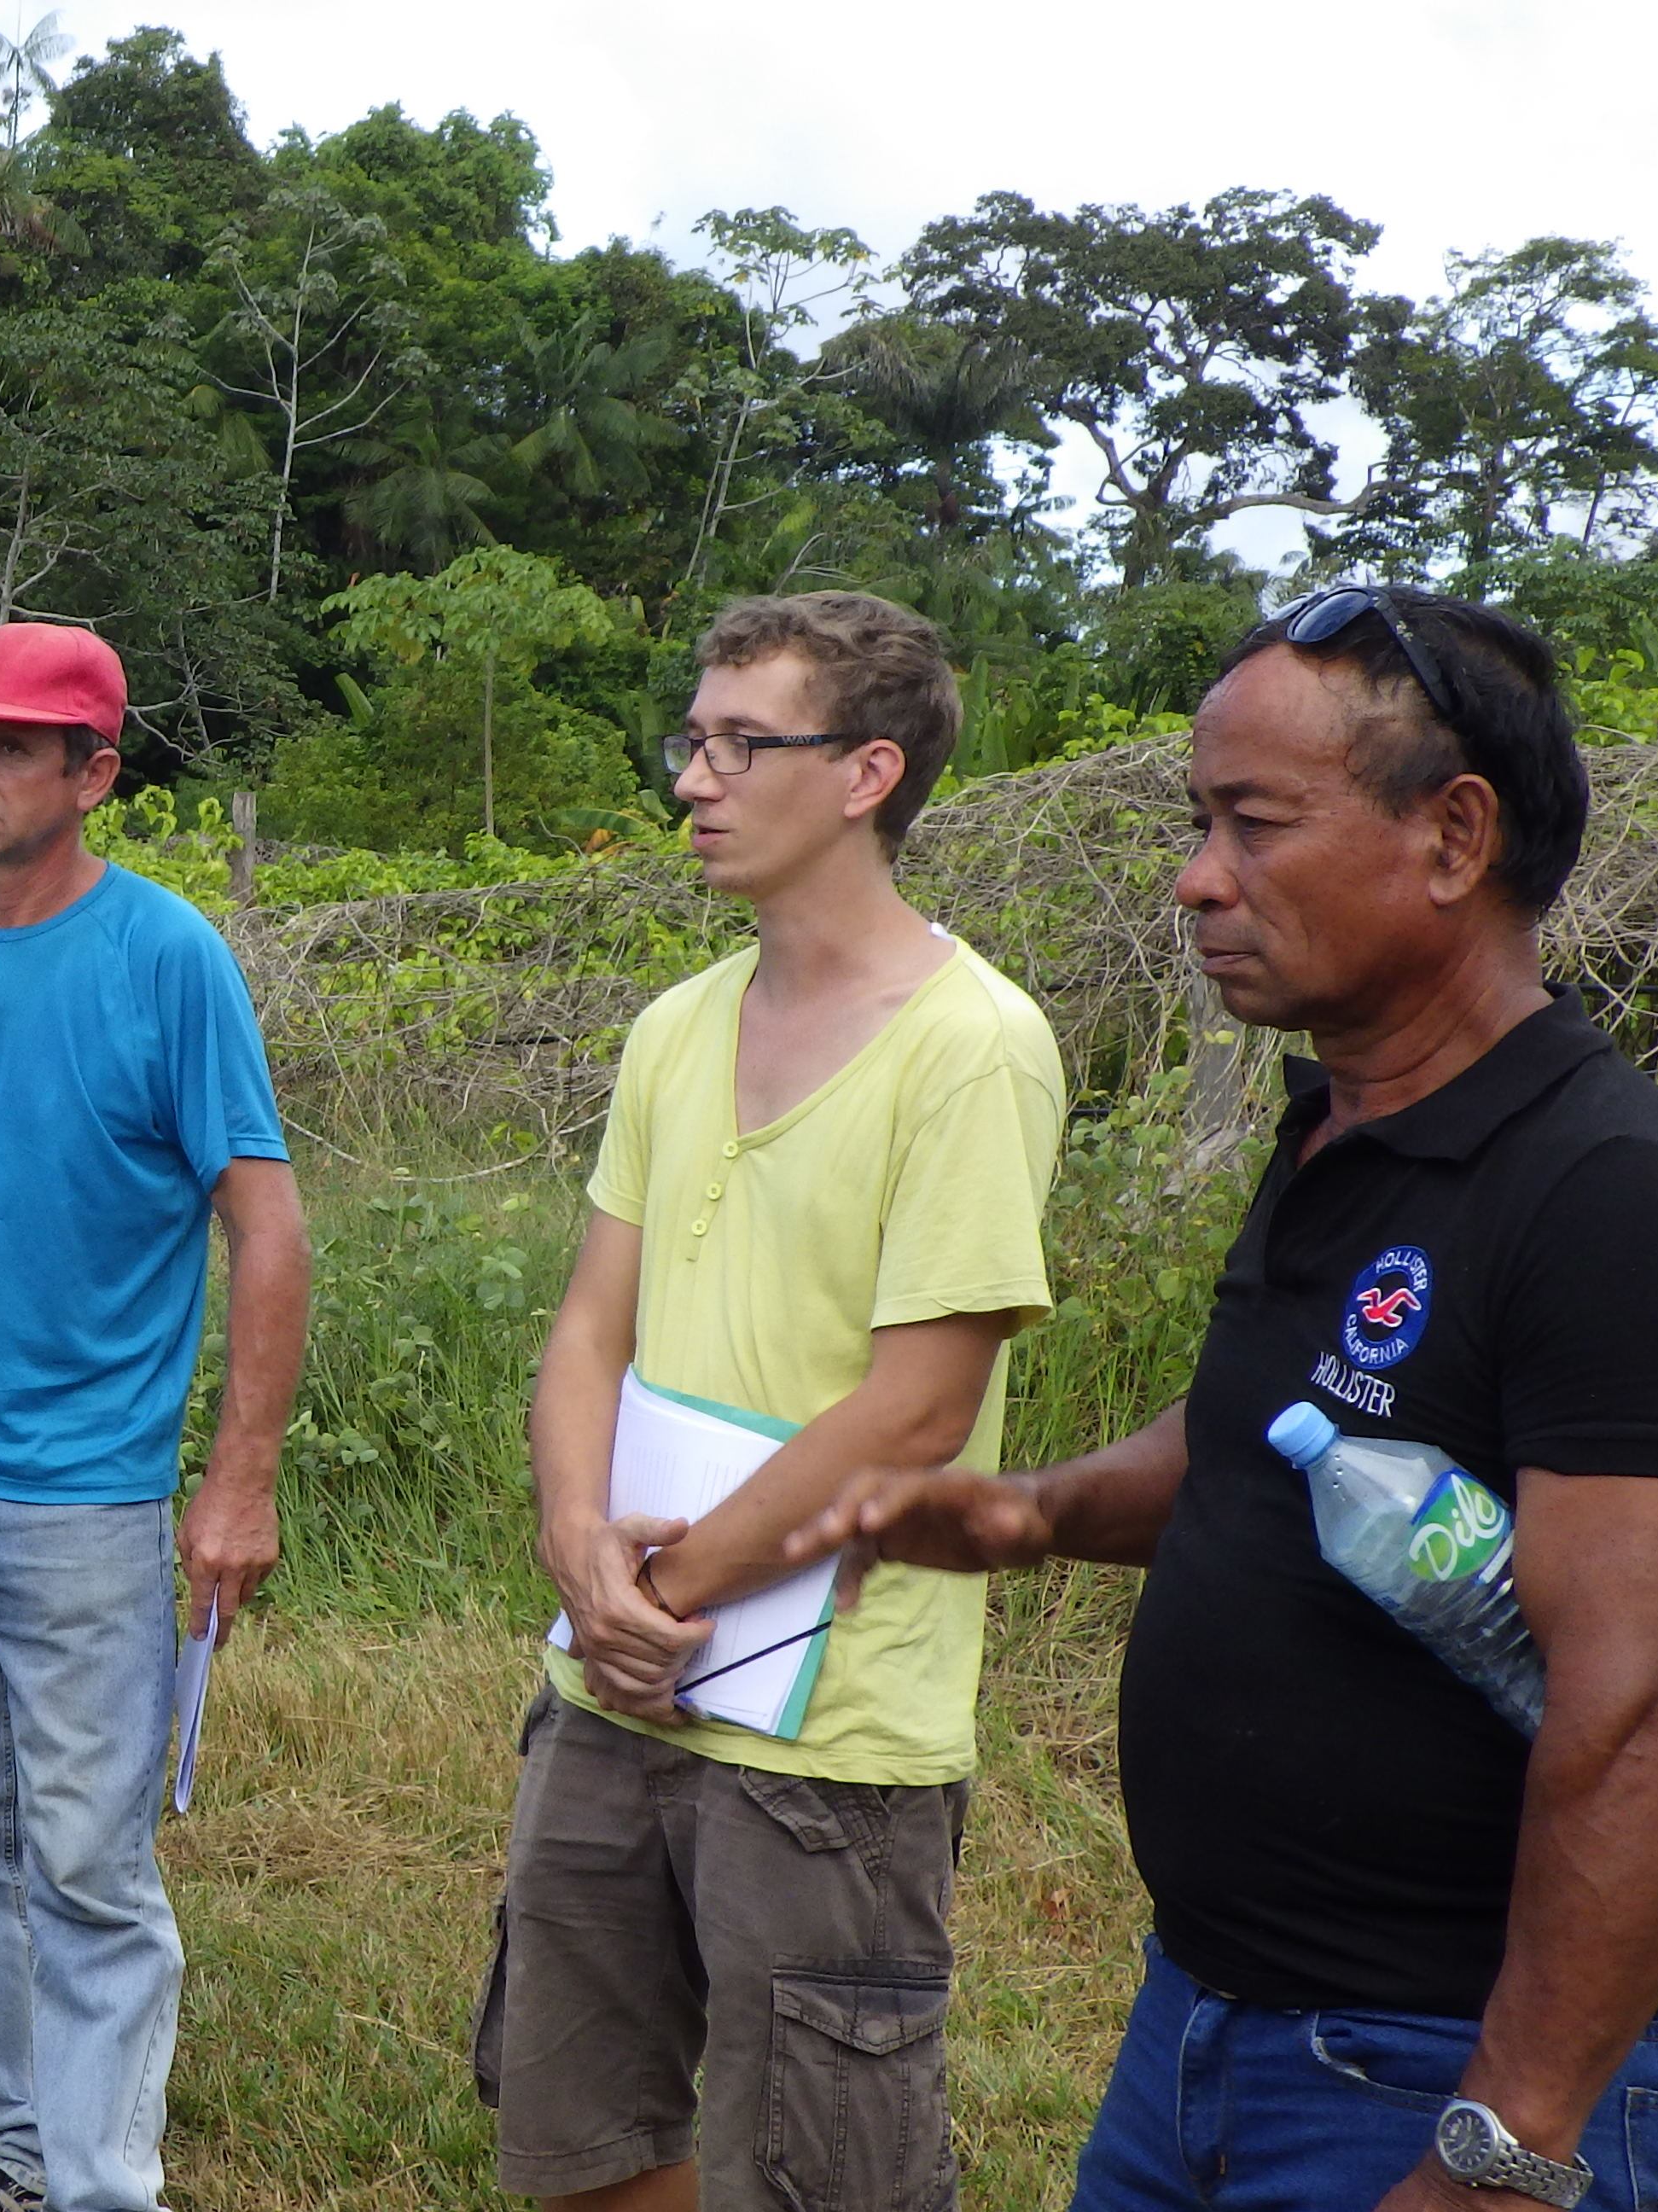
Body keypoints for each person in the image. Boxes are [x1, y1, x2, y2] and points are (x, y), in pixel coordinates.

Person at [791, 588, 1658, 2212]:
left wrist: (1506, 2146)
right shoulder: (1345, 1125)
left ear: (1455, 837)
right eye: (1201, 825)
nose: (1200, 879)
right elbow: (1264, 1445)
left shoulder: (1602, 1192)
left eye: (1253, 824)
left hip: (1422, 2076)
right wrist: (1031, 1513)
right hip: (1202, 2027)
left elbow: (1638, 1726)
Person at [494, 591, 1064, 2212]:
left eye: (747, 744)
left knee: (819, 2178)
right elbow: (591, 1323)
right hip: (610, 1690)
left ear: (870, 771)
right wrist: (578, 1555)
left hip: (831, 1743)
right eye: (695, 738)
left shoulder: (973, 1049)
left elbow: (915, 1410)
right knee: (579, 2141)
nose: (695, 778)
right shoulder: (676, 1027)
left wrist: (659, 1593)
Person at [0, 622, 311, 2212]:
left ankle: (106, 2188)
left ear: (94, 773)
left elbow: (268, 1229)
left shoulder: (167, 958)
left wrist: (234, 1484)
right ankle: (22, 2152)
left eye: (8, 749)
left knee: (90, 1867)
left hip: (81, 1494)